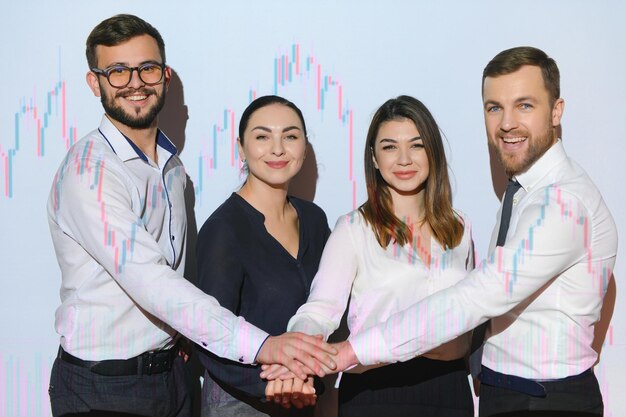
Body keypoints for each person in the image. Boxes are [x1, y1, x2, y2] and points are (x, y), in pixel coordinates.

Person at [46, 15, 335, 417]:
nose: (135, 82)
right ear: (94, 82)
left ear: (164, 76)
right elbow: (152, 282)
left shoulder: (172, 168)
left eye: (146, 68)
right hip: (105, 385)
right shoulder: (89, 174)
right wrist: (264, 347)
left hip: (173, 377)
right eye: (117, 71)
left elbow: (179, 271)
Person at [312, 47, 618, 416]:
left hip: (539, 398)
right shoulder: (522, 193)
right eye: (494, 107)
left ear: (556, 111)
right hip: (493, 394)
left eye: (524, 105)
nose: (506, 123)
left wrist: (350, 351)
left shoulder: (560, 202)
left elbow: (475, 299)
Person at [275, 95, 474, 417]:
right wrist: (297, 352)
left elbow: (470, 318)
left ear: (433, 152)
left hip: (449, 389)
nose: (404, 159)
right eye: (390, 146)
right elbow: (321, 310)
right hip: (375, 391)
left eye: (417, 145)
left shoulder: (459, 227)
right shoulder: (354, 228)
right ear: (375, 158)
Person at [195, 95, 330, 416]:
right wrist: (275, 384)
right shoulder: (223, 229)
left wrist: (304, 378)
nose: (278, 148)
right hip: (240, 402)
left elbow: (329, 310)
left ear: (304, 146)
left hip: (303, 395)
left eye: (291, 136)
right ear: (241, 147)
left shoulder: (314, 219)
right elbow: (209, 335)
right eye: (262, 136)